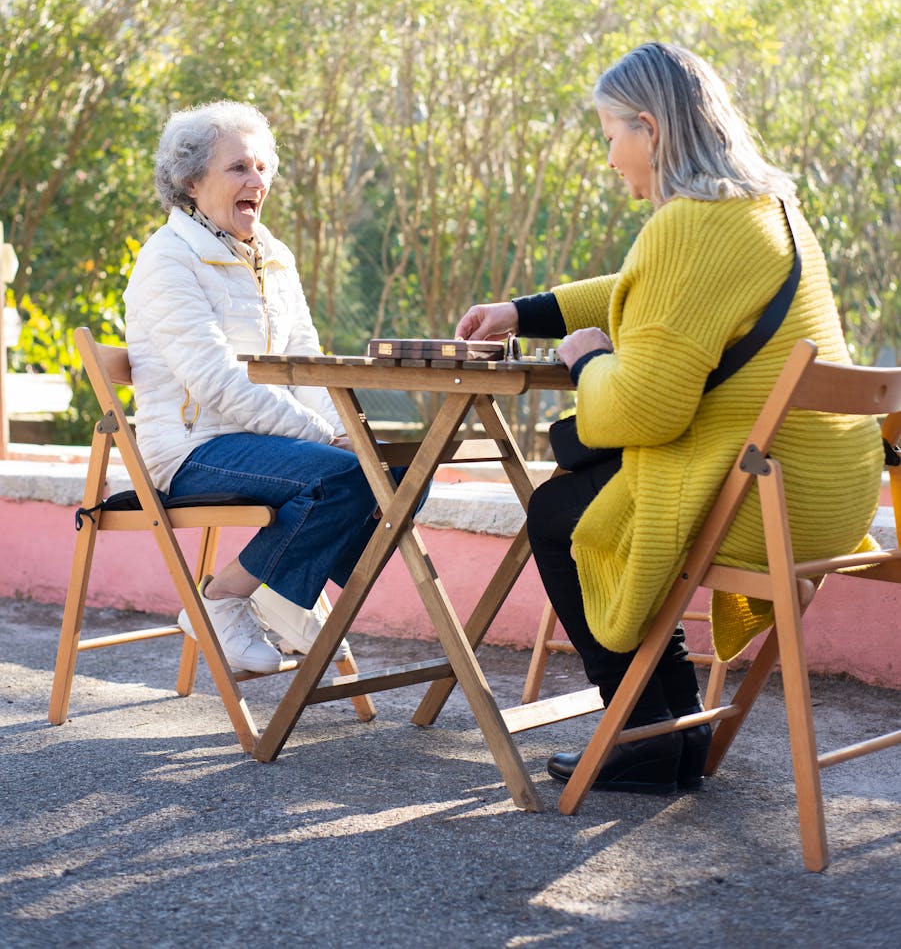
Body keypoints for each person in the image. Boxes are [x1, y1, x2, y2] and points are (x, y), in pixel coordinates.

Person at [455, 42, 883, 796]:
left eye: (609, 133)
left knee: (561, 510)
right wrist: (526, 312)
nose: (608, 153)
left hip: (758, 503)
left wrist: (588, 359)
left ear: (649, 129)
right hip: (825, 498)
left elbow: (644, 412)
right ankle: (670, 733)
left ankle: (643, 736)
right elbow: (640, 287)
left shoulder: (688, 225)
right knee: (590, 478)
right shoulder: (769, 208)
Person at [124, 100, 382, 673]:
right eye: (239, 167)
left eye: (263, 167)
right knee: (349, 474)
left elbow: (306, 362)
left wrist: (344, 430)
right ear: (191, 181)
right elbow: (215, 381)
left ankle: (282, 590)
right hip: (192, 449)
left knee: (396, 476)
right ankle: (223, 597)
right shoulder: (167, 260)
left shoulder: (275, 256)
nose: (257, 180)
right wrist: (324, 437)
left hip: (269, 445)